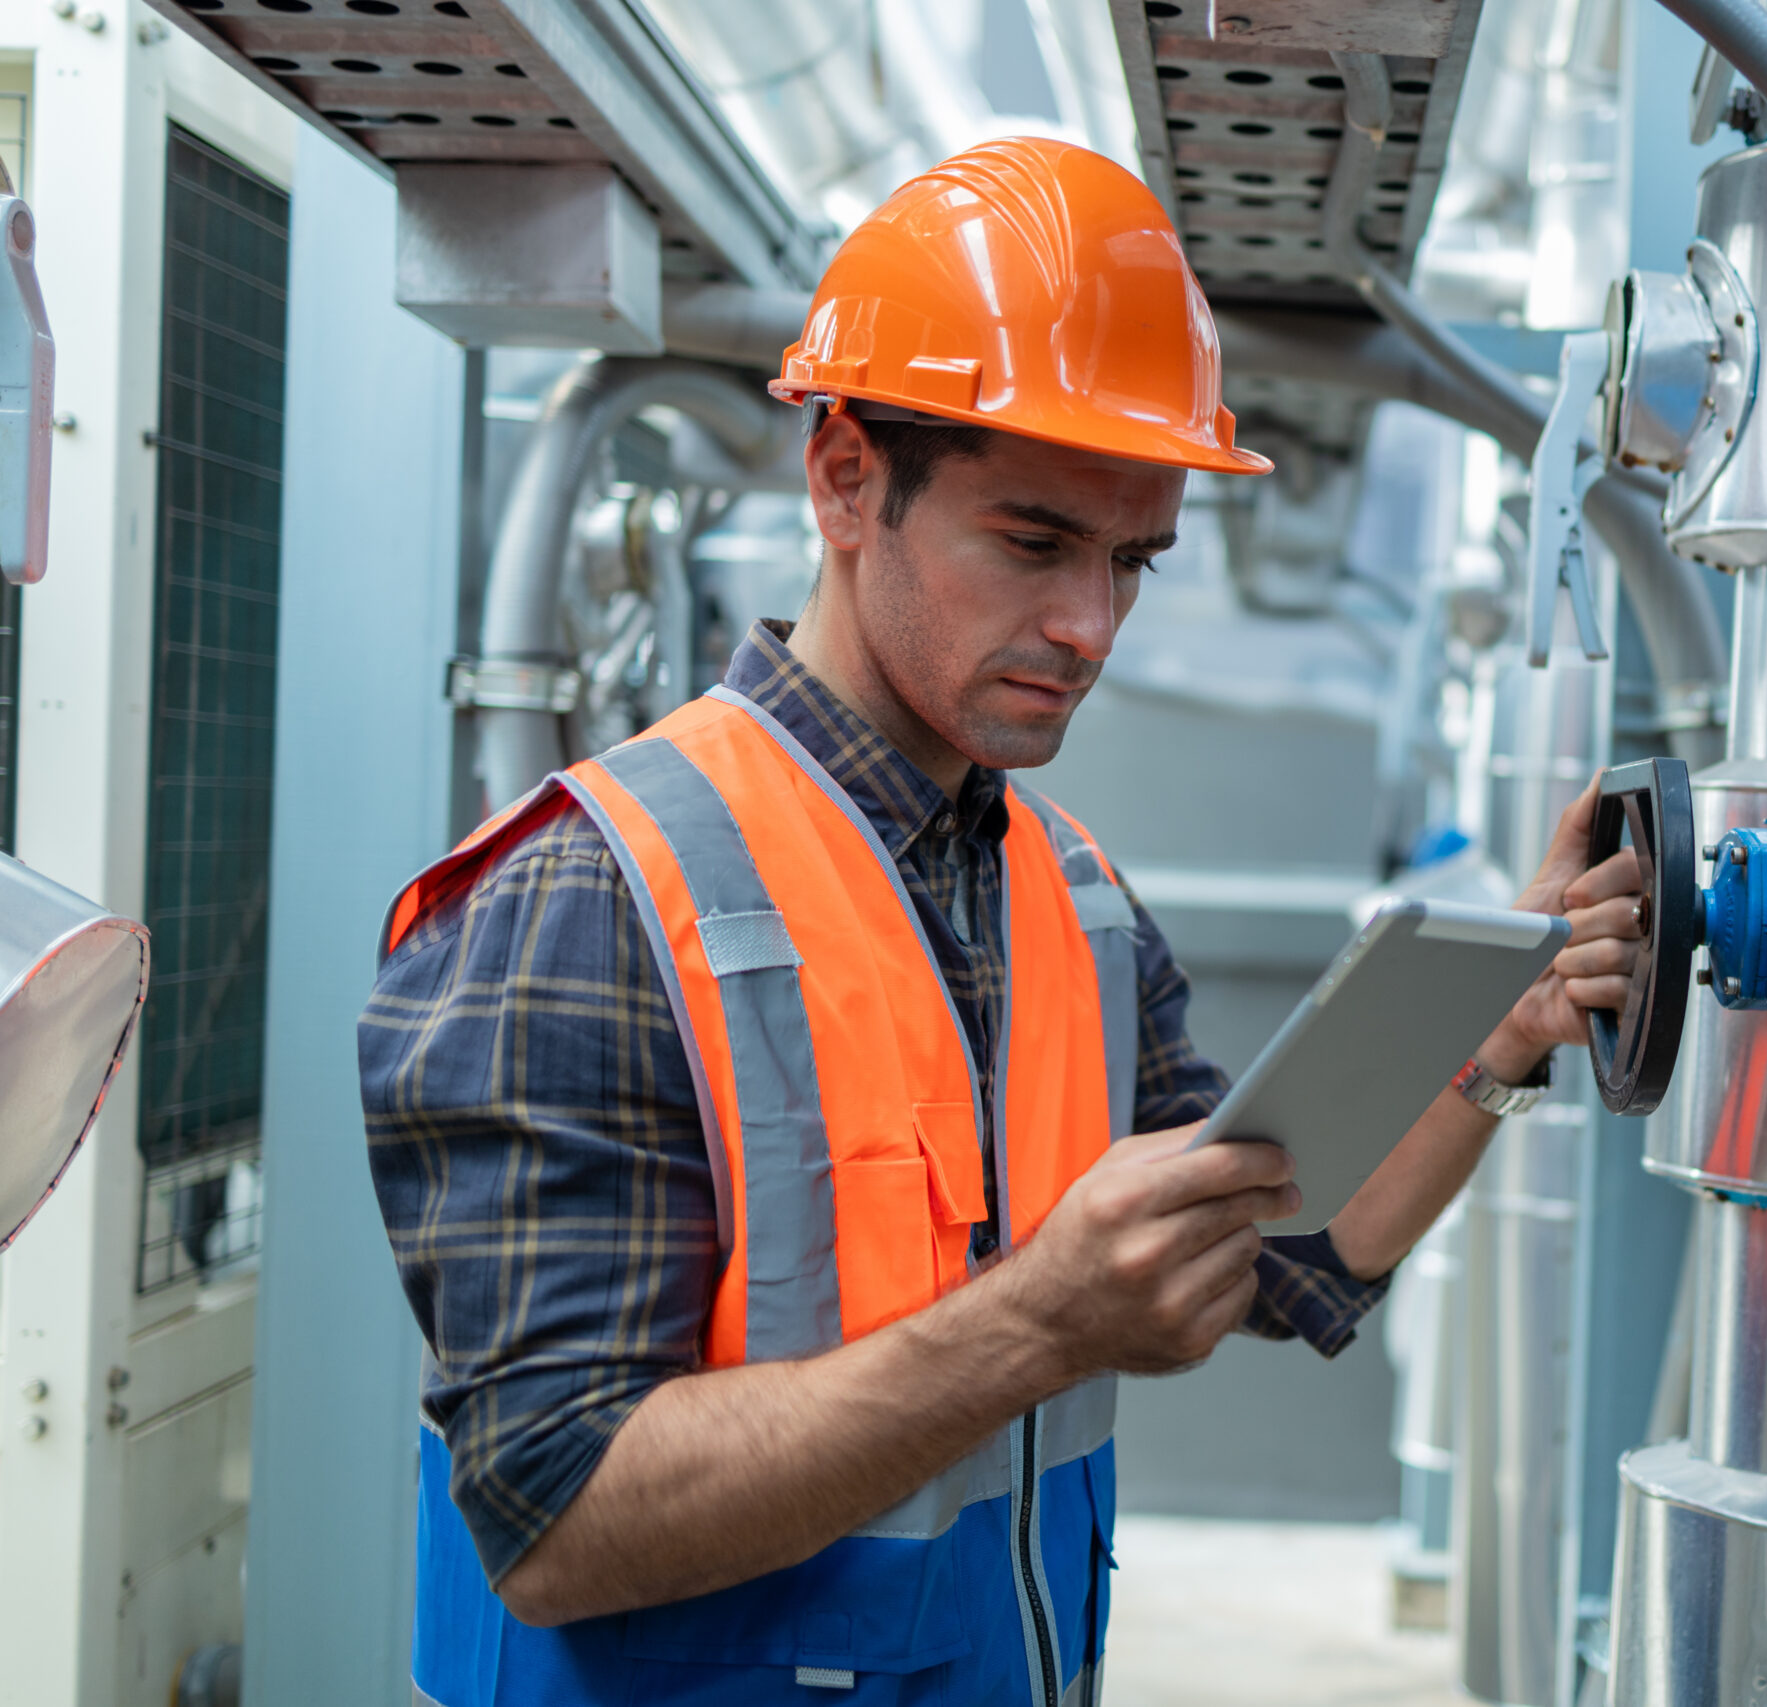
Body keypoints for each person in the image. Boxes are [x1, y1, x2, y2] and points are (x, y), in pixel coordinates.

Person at [363, 136, 1644, 1707]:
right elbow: (551, 1515)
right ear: (845, 477)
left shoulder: (1064, 890)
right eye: (1033, 543)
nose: (1089, 626)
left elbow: (1293, 1250)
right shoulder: (587, 896)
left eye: (1131, 560)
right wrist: (1036, 1325)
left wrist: (1494, 1038)